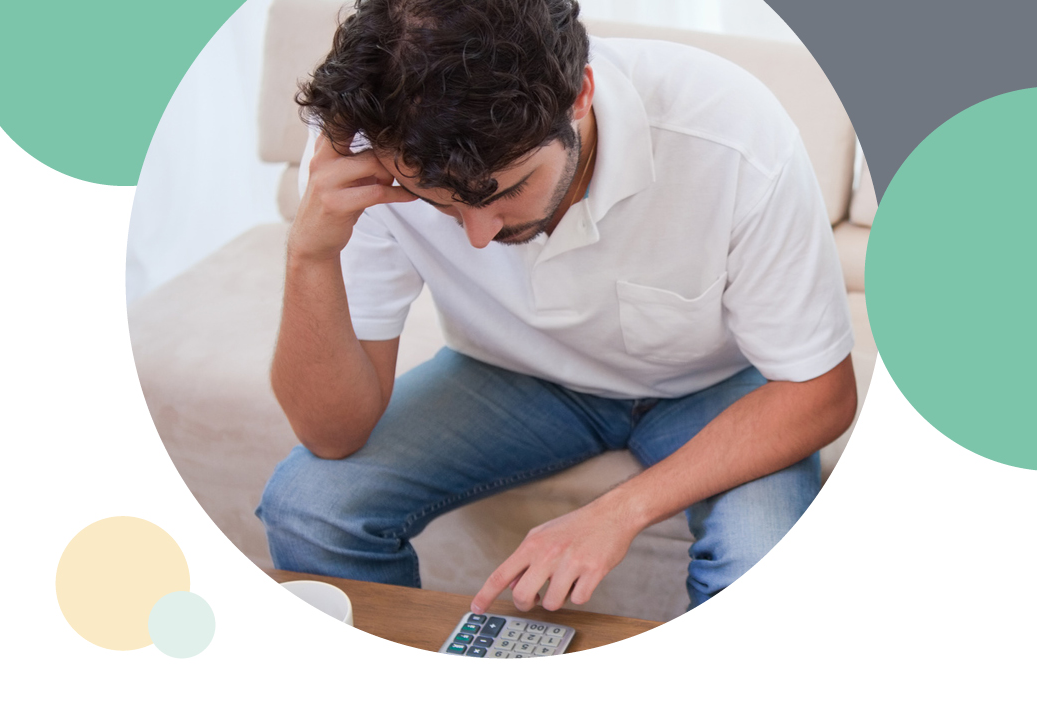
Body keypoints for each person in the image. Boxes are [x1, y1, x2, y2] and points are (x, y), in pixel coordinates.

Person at [255, 0, 857, 615]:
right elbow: (330, 437)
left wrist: (617, 512)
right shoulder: (365, 156)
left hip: (715, 388)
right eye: (439, 204)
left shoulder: (730, 130)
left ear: (580, 94)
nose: (478, 237)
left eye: (506, 191)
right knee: (309, 507)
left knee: (761, 562)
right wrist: (310, 255)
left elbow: (823, 393)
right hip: (511, 377)